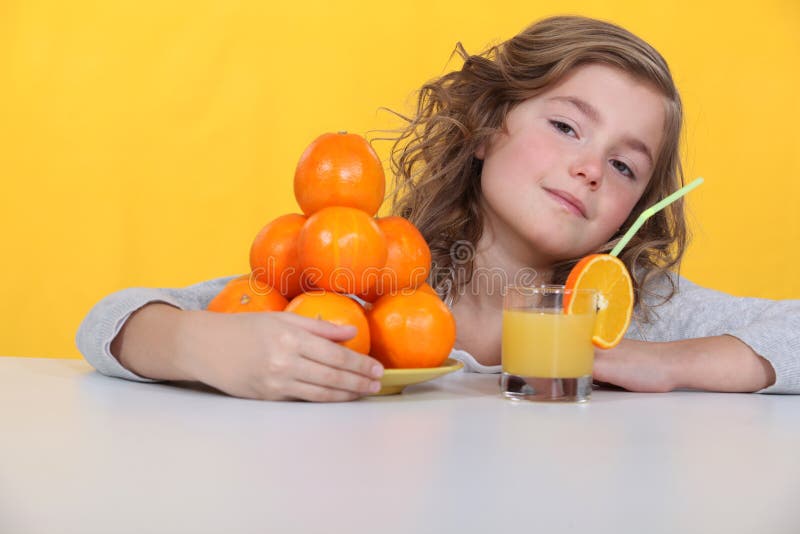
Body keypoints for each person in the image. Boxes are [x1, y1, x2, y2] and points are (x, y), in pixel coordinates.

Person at [76, 15, 800, 401]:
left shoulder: (633, 315)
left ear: (635, 205)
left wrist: (669, 363)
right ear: (487, 126)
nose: (589, 168)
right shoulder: (367, 274)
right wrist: (208, 349)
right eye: (566, 126)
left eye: (623, 165)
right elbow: (110, 321)